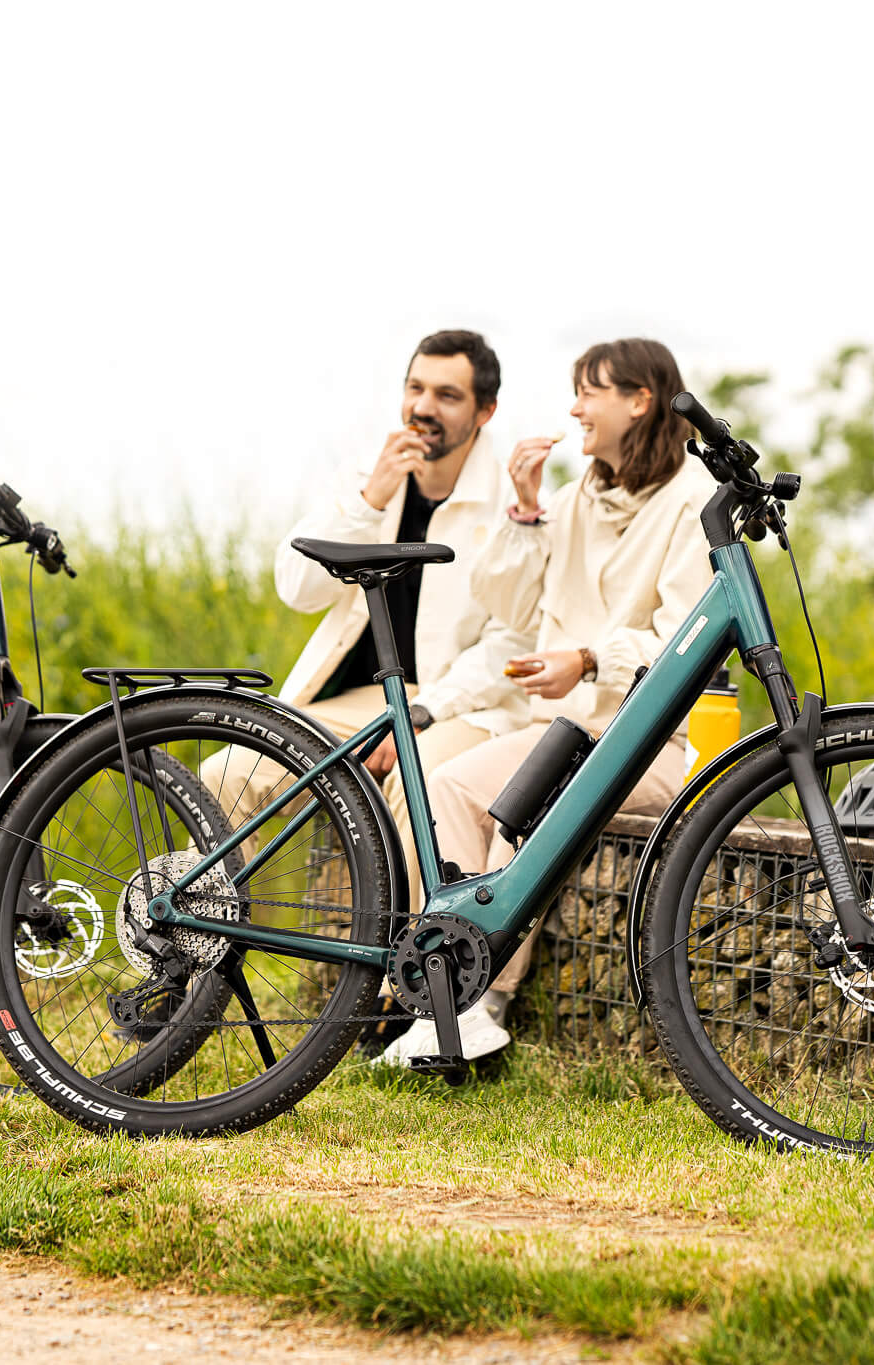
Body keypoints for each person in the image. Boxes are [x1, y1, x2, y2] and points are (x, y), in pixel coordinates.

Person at [376, 337, 719, 1066]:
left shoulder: (693, 500)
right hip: (559, 731)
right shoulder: (574, 499)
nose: (574, 408)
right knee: (447, 786)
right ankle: (444, 985)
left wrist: (590, 659)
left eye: (589, 391)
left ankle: (481, 1002)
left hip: (647, 745)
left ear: (640, 400)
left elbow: (686, 641)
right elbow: (506, 599)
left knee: (528, 801)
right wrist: (527, 509)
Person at [202, 330, 532, 916]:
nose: (424, 408)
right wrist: (369, 501)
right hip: (359, 699)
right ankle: (201, 953)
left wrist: (421, 714)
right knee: (228, 771)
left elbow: (514, 636)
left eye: (447, 395)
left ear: (486, 411)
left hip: (457, 706)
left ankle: (408, 982)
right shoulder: (367, 476)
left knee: (419, 783)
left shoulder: (511, 500)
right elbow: (297, 589)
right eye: (416, 388)